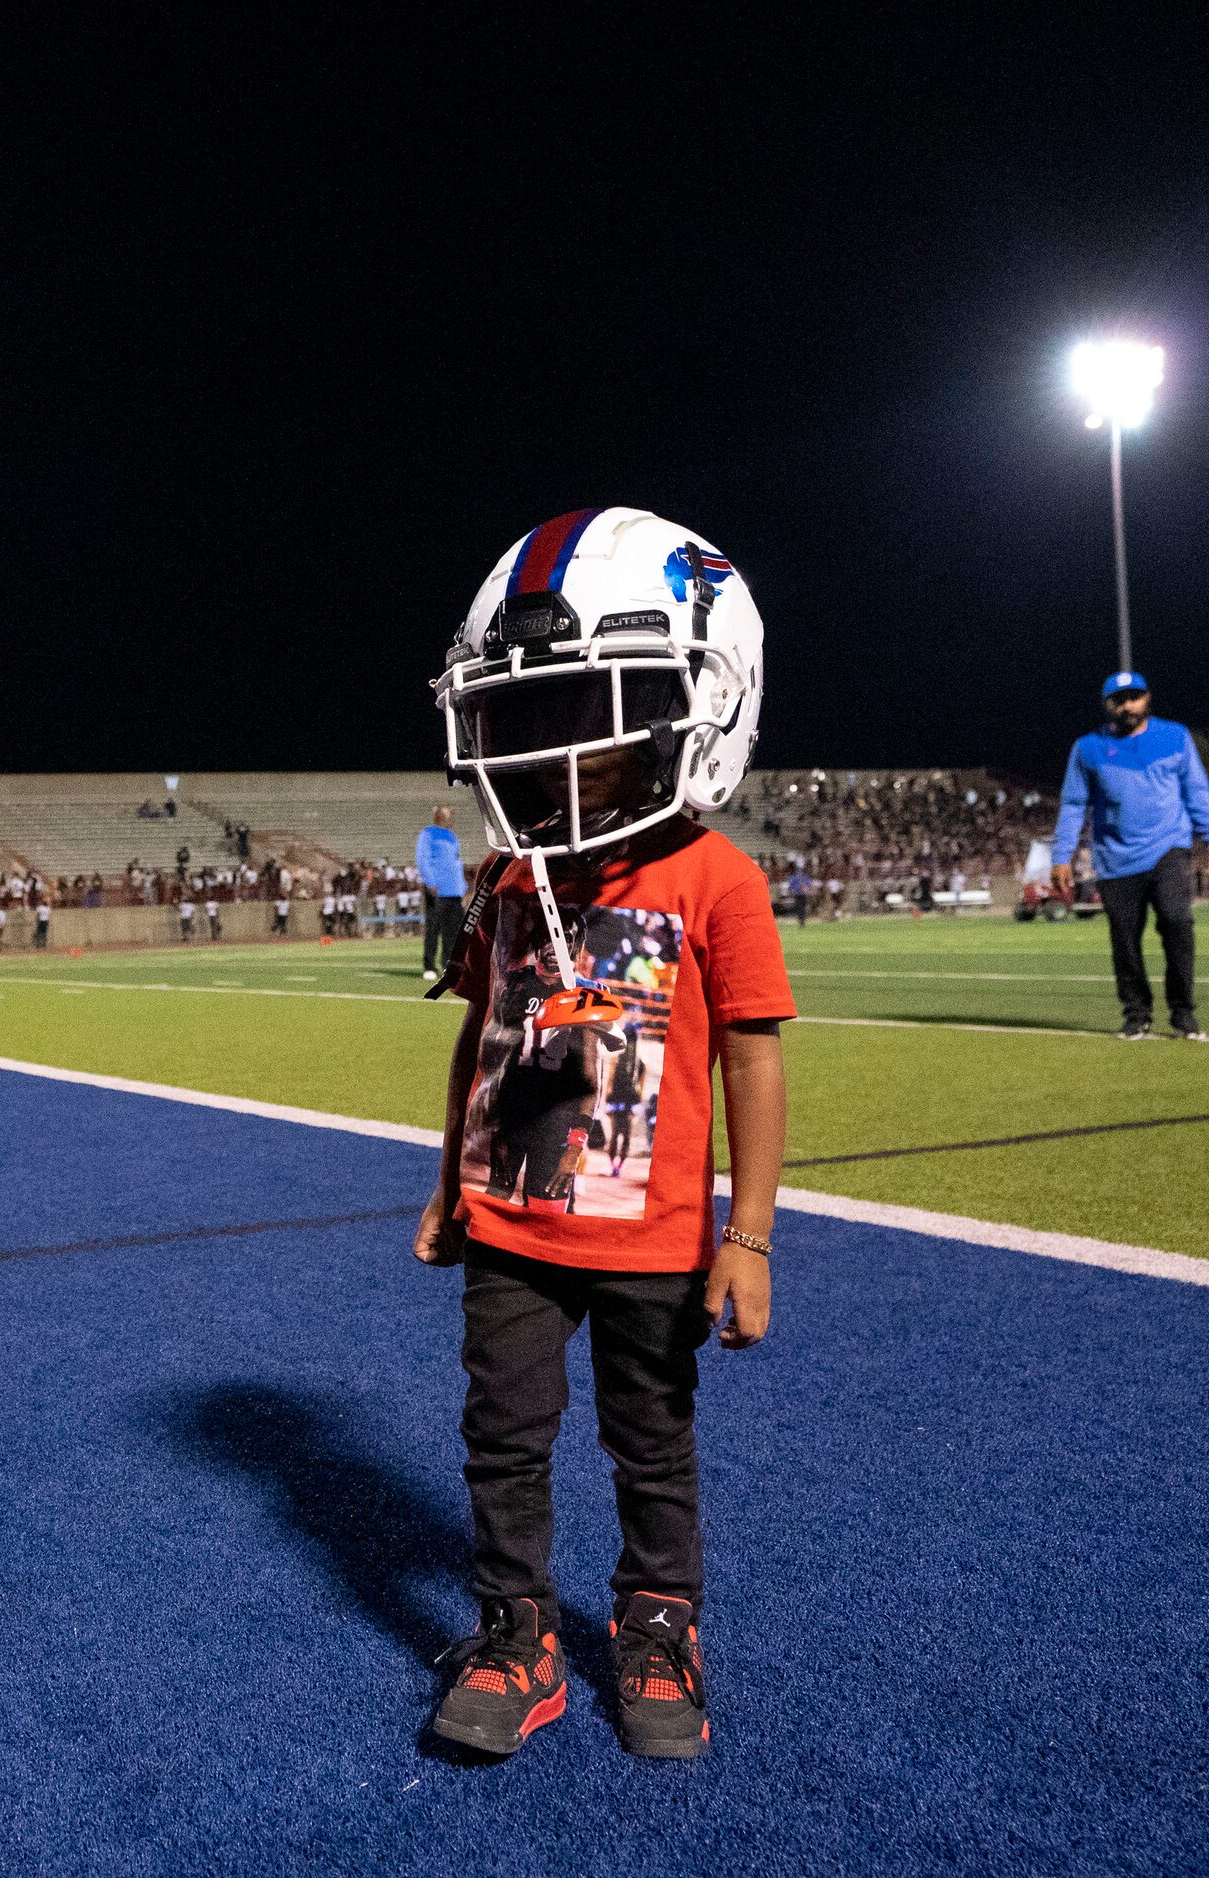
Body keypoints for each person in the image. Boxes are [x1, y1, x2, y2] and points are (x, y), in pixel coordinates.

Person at [415, 508, 788, 1762]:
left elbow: (753, 1054)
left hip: (655, 1236)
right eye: (532, 722)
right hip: (512, 1215)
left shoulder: (718, 879)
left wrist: (751, 1238)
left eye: (597, 715)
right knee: (502, 1434)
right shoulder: (514, 878)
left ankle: (657, 1621)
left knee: (651, 1438)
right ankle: (516, 1630)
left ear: (701, 708)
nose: (558, 753)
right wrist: (443, 1186)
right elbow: (482, 1040)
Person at [1049, 673, 1209, 1040]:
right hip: (1115, 858)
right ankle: (1136, 1014)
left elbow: (1197, 790)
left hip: (1169, 847)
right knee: (1125, 938)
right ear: (1108, 705)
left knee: (1177, 922)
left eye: (1134, 697)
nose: (1127, 705)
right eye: (1119, 699)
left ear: (1147, 698)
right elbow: (1072, 804)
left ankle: (1182, 1013)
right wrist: (1061, 855)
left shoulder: (1175, 736)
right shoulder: (1087, 748)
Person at [417, 806, 465, 979]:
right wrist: (430, 882)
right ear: (438, 816)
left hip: (454, 891)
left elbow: (456, 862)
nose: (451, 817)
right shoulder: (428, 834)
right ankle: (429, 966)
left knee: (453, 932)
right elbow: (422, 859)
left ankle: (448, 965)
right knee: (433, 929)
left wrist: (462, 887)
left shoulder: (452, 837)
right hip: (437, 889)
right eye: (448, 814)